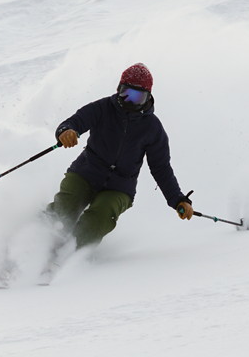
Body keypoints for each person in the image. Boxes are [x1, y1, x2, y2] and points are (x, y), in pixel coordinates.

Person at [48, 63, 193, 250]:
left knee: (100, 215)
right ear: (118, 89)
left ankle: (67, 255)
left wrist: (178, 199)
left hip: (119, 188)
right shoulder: (102, 108)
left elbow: (161, 168)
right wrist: (66, 131)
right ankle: (32, 242)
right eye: (126, 93)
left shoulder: (152, 128)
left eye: (138, 97)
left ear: (148, 97)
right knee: (64, 209)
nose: (130, 101)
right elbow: (74, 122)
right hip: (85, 173)